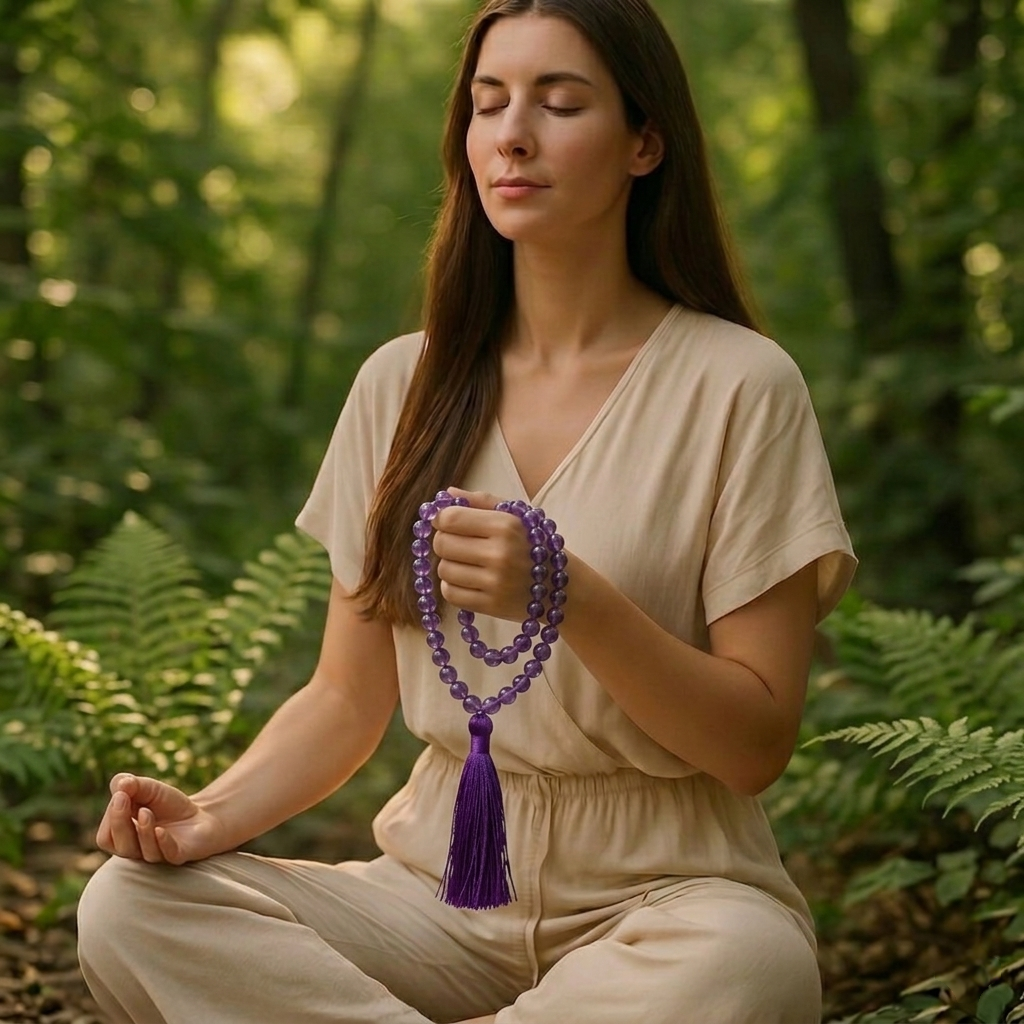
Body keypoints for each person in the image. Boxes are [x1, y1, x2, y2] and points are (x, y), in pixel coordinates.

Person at [76, 1, 858, 1021]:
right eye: (488, 103)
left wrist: (569, 595)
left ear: (643, 143)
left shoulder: (739, 385)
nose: (512, 134)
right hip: (433, 899)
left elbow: (755, 743)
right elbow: (345, 702)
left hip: (669, 898)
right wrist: (204, 817)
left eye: (559, 102)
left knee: (748, 966)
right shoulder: (402, 385)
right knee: (129, 906)